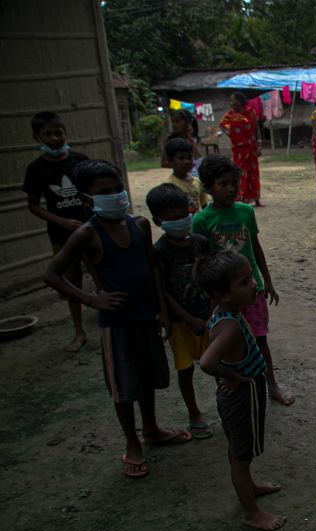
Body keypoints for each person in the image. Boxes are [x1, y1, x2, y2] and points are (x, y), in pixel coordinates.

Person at [44, 160, 191, 479]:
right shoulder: (85, 234)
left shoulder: (138, 224)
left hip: (145, 317)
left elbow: (152, 268)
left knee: (147, 377)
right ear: (87, 200)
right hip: (117, 325)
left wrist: (162, 310)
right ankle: (132, 442)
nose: (114, 196)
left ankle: (151, 428)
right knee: (123, 387)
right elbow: (53, 275)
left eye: (118, 189)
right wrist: (92, 300)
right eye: (104, 192)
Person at [194, 250, 286, 531]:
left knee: (239, 451)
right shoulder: (231, 325)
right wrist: (233, 375)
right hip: (243, 394)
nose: (253, 285)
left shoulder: (223, 312)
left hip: (240, 393)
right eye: (245, 282)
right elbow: (207, 362)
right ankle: (251, 512)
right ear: (223, 295)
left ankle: (250, 487)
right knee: (240, 456)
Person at [193, 156, 295, 406]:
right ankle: (230, 380)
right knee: (226, 342)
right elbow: (203, 263)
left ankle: (271, 384)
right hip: (225, 297)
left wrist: (267, 281)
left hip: (253, 291)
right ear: (208, 188)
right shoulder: (202, 220)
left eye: (234, 183)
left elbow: (255, 247)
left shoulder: (246, 211)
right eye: (223, 184)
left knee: (260, 339)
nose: (230, 188)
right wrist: (210, 304)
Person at [146, 183, 214, 440]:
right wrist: (187, 318)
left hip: (207, 316)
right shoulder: (159, 251)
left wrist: (210, 313)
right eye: (172, 218)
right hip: (180, 323)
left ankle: (226, 403)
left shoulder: (200, 243)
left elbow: (211, 279)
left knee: (218, 362)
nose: (181, 221)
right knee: (185, 370)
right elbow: (162, 291)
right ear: (158, 220)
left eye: (183, 214)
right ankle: (194, 413)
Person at [23, 111, 93, 352]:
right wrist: (62, 222)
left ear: (66, 133)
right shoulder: (36, 169)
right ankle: (79, 331)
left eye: (59, 132)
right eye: (48, 134)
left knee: (102, 274)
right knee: (71, 283)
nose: (55, 138)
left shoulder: (79, 160)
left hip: (89, 230)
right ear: (37, 137)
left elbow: (93, 192)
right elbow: (33, 205)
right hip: (62, 235)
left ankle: (109, 321)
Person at [219, 92, 264, 208]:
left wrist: (259, 144)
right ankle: (242, 199)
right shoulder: (230, 115)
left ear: (239, 102)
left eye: (232, 100)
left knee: (253, 173)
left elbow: (256, 129)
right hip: (238, 150)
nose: (231, 103)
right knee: (240, 174)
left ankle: (256, 199)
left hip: (251, 148)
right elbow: (222, 125)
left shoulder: (251, 113)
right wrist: (230, 134)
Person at [163, 138, 209, 214]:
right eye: (181, 158)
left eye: (189, 157)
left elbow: (204, 205)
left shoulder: (197, 181)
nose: (187, 161)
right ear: (170, 161)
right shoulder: (169, 185)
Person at [160, 109, 203, 177]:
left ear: (186, 123)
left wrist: (190, 139)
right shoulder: (170, 141)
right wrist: (181, 166)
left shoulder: (194, 139)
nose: (174, 125)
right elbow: (163, 163)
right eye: (173, 122)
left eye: (177, 121)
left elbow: (199, 161)